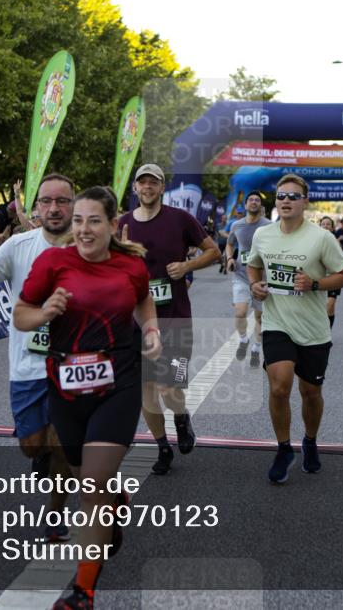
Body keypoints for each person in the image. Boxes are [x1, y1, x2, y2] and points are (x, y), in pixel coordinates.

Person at [13, 186, 161, 609]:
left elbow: (144, 299)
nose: (83, 229)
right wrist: (45, 312)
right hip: (66, 385)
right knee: (86, 476)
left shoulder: (130, 265)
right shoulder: (53, 262)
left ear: (112, 225)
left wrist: (149, 329)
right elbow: (22, 314)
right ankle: (115, 503)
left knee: (91, 484)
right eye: (78, 221)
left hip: (119, 381)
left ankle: (83, 592)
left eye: (93, 220)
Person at [0, 173, 78, 542]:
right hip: (28, 364)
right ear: (36, 207)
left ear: (73, 205)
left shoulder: (88, 246)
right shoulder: (18, 245)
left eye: (62, 201)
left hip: (75, 364)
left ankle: (55, 512)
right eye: (47, 201)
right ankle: (42, 454)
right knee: (32, 443)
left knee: (63, 441)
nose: (54, 208)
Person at [118, 164, 221, 475]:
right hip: (136, 322)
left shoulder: (180, 219)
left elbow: (213, 251)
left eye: (154, 183)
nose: (147, 187)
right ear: (135, 188)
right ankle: (162, 446)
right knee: (146, 390)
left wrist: (187, 267)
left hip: (174, 318)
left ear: (162, 188)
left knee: (169, 388)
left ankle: (180, 415)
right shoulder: (122, 225)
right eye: (142, 183)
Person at [247, 174, 343, 484]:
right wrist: (255, 284)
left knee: (311, 393)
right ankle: (283, 448)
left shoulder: (321, 238)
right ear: (275, 202)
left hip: (314, 328)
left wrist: (315, 283)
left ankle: (309, 439)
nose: (286, 201)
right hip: (277, 323)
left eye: (293, 196)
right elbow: (253, 263)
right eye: (281, 196)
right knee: (279, 387)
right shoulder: (263, 235)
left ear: (306, 202)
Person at [225, 191, 271, 365]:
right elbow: (230, 243)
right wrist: (229, 258)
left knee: (260, 317)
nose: (253, 202)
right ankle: (244, 339)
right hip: (241, 276)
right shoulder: (236, 225)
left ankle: (256, 348)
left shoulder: (268, 225)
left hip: (262, 278)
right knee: (240, 312)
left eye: (257, 200)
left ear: (260, 205)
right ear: (245, 205)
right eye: (250, 200)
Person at [317, 216, 341, 328]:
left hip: (333, 278)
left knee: (330, 306)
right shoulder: (314, 241)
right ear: (320, 226)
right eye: (323, 224)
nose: (325, 226)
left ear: (332, 228)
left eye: (328, 224)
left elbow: (341, 261)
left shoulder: (336, 241)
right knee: (319, 307)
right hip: (319, 277)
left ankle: (327, 331)